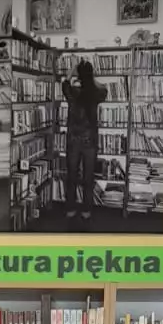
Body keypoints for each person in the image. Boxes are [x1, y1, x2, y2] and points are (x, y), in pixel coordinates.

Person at [61, 60, 107, 220]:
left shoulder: (73, 92)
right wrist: (90, 78)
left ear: (79, 75)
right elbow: (105, 90)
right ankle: (87, 210)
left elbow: (65, 83)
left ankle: (70, 209)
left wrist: (71, 72)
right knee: (88, 176)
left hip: (73, 140)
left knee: (72, 176)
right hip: (90, 141)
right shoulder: (95, 93)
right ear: (91, 75)